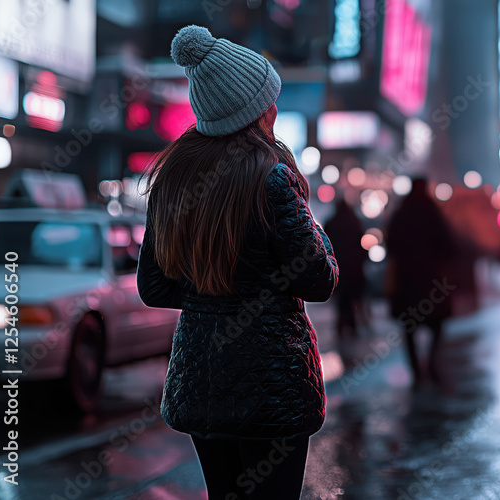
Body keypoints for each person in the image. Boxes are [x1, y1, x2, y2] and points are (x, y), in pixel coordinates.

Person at [137, 25, 338, 500]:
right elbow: (319, 278)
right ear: (254, 110)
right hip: (271, 383)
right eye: (269, 98)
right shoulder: (272, 176)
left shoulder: (172, 178)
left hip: (202, 379)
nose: (275, 106)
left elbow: (154, 287)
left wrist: (214, 294)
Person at [384, 177, 455, 384]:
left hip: (406, 283)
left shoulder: (400, 215)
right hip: (432, 283)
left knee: (409, 328)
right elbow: (449, 246)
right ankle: (432, 365)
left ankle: (416, 372)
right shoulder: (433, 214)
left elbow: (390, 246)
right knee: (437, 326)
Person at [324, 194, 368, 340]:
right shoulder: (354, 222)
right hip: (353, 268)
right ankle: (351, 326)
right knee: (351, 298)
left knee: (342, 299)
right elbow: (361, 245)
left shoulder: (331, 223)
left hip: (338, 268)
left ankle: (344, 326)